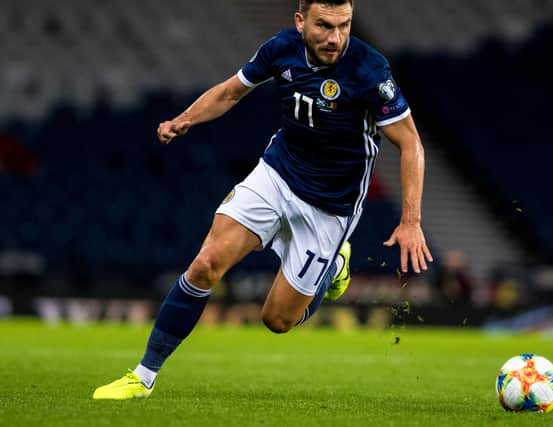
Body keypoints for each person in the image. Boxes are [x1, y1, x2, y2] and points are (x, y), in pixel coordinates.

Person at [93, 0, 432, 400]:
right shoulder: (281, 48)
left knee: (277, 320)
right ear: (300, 21)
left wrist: (410, 221)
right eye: (324, 25)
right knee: (205, 265)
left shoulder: (369, 69)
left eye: (344, 26)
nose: (335, 38)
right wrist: (184, 119)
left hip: (330, 205)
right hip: (277, 174)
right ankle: (143, 376)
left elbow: (410, 142)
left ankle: (333, 266)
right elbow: (230, 93)